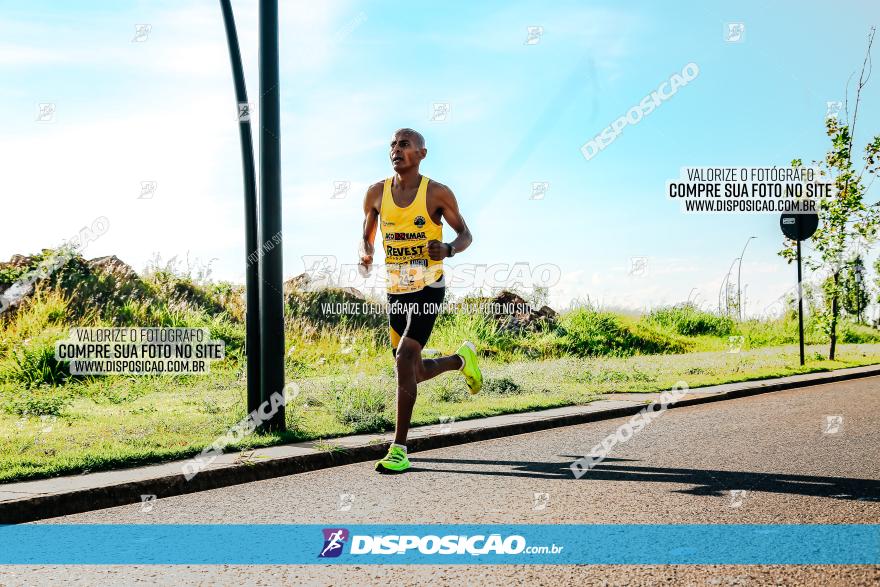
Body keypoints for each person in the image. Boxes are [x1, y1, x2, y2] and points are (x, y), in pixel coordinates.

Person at [359, 128, 482, 474]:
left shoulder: (437, 193)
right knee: (410, 369)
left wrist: (447, 249)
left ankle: (399, 448)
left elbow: (466, 234)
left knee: (404, 358)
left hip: (429, 286)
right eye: (393, 145)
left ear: (421, 154)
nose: (396, 150)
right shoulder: (375, 193)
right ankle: (461, 360)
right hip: (395, 290)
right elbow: (365, 236)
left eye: (404, 145)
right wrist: (366, 254)